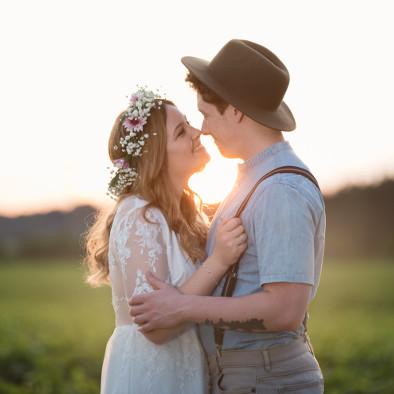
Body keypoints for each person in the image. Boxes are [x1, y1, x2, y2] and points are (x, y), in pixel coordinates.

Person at [129, 40, 326, 393]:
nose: (202, 129)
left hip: (266, 376)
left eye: (206, 113)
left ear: (235, 111)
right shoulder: (252, 178)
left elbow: (284, 309)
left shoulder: (280, 190)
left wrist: (184, 307)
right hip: (248, 374)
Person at [84, 87, 248, 394]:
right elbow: (155, 329)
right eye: (182, 131)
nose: (199, 132)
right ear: (156, 157)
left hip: (186, 366)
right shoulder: (139, 215)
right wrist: (219, 260)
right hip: (152, 373)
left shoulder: (184, 215)